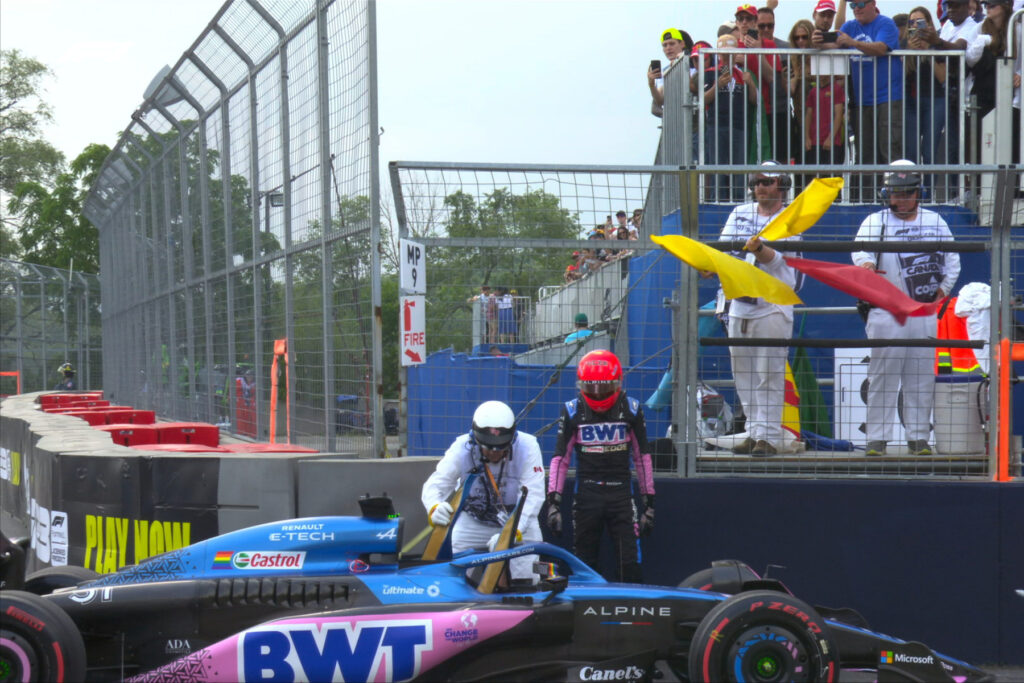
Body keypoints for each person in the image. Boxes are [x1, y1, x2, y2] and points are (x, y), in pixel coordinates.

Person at [851, 161, 960, 456]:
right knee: (882, 376)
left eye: (907, 193)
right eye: (895, 193)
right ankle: (877, 440)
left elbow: (953, 261)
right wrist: (866, 264)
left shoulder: (935, 221)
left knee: (921, 375)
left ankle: (919, 438)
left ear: (917, 192)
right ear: (886, 193)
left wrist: (942, 291)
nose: (901, 199)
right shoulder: (875, 221)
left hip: (923, 310)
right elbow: (859, 251)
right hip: (885, 309)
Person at [713, 161, 801, 456]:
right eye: (757, 182)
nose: (760, 187)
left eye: (767, 182)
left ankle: (770, 438)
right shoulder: (739, 212)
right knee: (743, 373)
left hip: (772, 305)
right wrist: (710, 264)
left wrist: (759, 250)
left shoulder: (791, 218)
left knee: (770, 374)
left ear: (782, 186)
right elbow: (724, 248)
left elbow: (780, 262)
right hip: (739, 302)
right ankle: (754, 432)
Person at [546, 350, 654, 583]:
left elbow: (642, 456)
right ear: (581, 385)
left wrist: (649, 502)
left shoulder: (632, 409)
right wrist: (553, 502)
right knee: (584, 563)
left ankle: (631, 602)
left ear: (617, 384)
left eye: (603, 388)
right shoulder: (572, 410)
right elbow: (560, 458)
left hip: (621, 494)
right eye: (591, 388)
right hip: (587, 495)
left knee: (629, 563)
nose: (597, 394)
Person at [423, 400, 544, 581]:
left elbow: (533, 494)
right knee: (454, 574)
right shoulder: (461, 447)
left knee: (528, 577)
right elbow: (435, 484)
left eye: (501, 447)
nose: (494, 452)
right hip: (474, 520)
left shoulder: (528, 446)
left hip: (518, 521)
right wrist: (434, 506)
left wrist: (512, 532)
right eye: (488, 448)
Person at [815, 0, 903, 203]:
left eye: (861, 3)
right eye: (853, 4)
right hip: (861, 102)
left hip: (888, 97)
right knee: (864, 154)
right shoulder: (849, 26)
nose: (857, 8)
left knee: (889, 150)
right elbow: (835, 44)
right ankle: (866, 201)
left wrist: (853, 43)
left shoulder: (886, 23)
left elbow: (881, 48)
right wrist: (817, 43)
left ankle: (896, 199)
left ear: (873, 4)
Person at [925, 0, 979, 197]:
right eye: (949, 6)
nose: (951, 10)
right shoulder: (947, 25)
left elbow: (958, 48)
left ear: (967, 7)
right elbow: (941, 54)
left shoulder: (973, 26)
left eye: (956, 6)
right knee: (949, 148)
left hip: (965, 95)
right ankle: (951, 195)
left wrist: (936, 42)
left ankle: (961, 194)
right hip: (946, 91)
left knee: (961, 148)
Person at [704, 33, 758, 202]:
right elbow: (703, 100)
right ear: (718, 54)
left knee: (739, 167)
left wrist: (750, 84)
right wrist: (717, 85)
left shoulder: (743, 74)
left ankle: (739, 201)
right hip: (716, 125)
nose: (728, 57)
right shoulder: (710, 73)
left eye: (731, 53)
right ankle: (717, 200)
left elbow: (754, 100)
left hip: (739, 125)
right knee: (718, 165)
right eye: (724, 53)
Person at [903, 6, 946, 197]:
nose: (915, 26)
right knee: (911, 151)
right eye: (911, 22)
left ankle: (928, 195)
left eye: (920, 22)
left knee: (929, 151)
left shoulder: (937, 44)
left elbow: (943, 77)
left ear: (929, 24)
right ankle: (912, 193)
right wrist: (909, 52)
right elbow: (900, 74)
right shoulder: (905, 44)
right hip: (911, 101)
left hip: (935, 100)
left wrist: (928, 50)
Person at [805, 73, 847, 169]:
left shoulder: (836, 89)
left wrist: (830, 138)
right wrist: (807, 138)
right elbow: (808, 115)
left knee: (832, 175)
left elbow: (838, 115)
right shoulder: (813, 91)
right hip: (814, 142)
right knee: (815, 175)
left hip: (832, 142)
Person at [648, 28, 691, 118]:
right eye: (664, 45)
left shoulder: (694, 64)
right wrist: (651, 84)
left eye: (672, 44)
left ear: (682, 44)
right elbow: (659, 101)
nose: (668, 48)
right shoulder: (664, 72)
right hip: (673, 120)